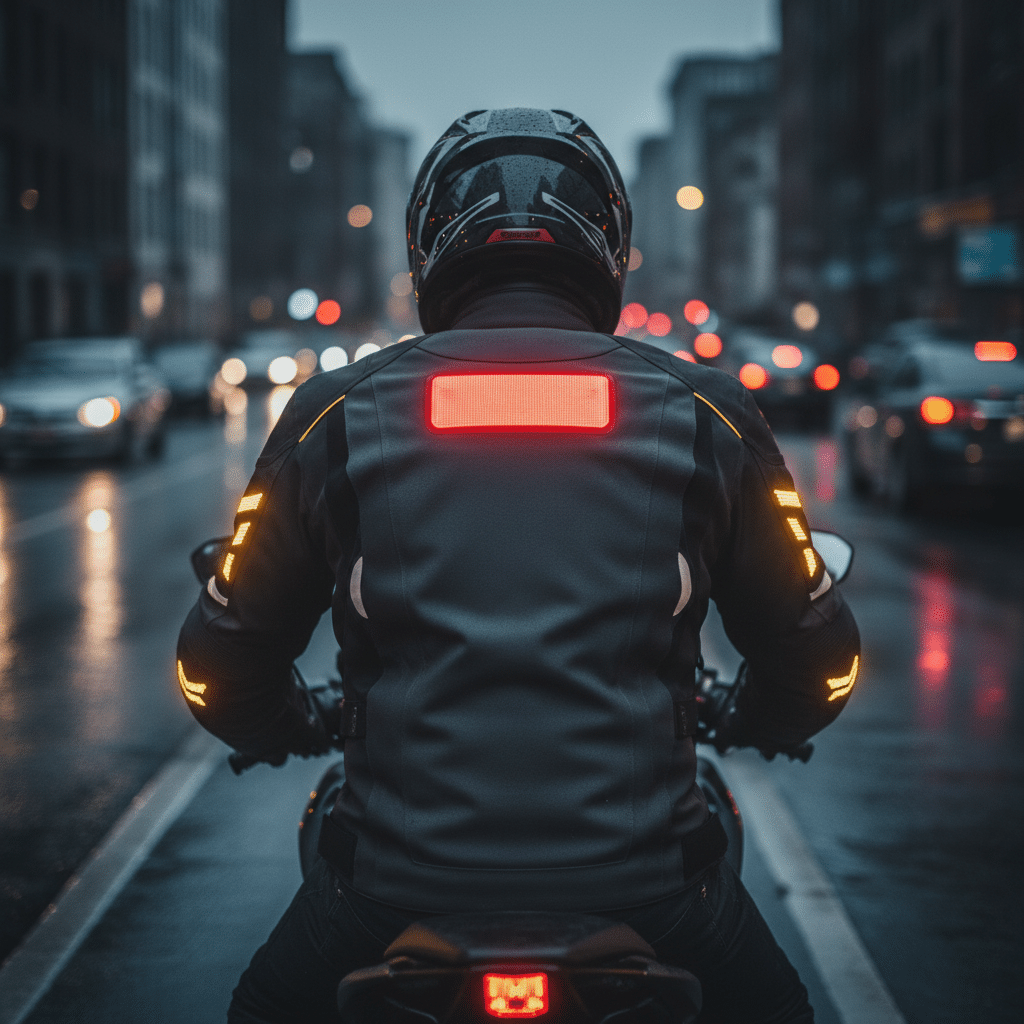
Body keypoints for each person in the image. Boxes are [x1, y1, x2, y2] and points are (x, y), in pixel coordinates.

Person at [176, 108, 860, 1023]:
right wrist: (758, 716)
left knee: (263, 1010)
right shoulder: (708, 409)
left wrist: (290, 724)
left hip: (390, 886)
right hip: (652, 886)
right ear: (608, 245)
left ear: (428, 246)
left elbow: (217, 666)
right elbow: (819, 657)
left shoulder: (335, 412)